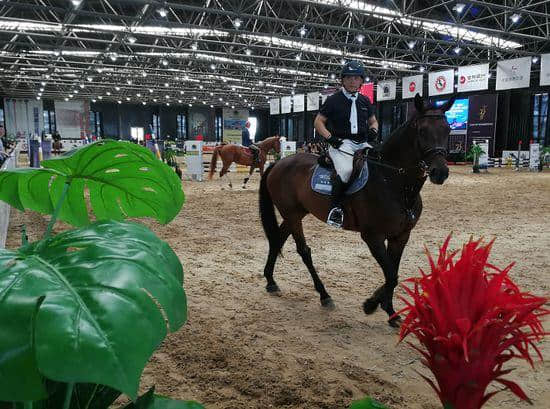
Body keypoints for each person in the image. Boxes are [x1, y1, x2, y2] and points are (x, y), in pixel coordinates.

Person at [313, 60, 379, 228]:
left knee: (379, 163)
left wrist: (374, 130)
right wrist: (329, 138)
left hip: (362, 142)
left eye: (356, 78)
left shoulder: (365, 101)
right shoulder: (333, 100)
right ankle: (336, 209)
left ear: (361, 81)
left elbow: (374, 122)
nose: (352, 81)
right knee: (346, 170)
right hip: (341, 144)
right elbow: (318, 122)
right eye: (349, 78)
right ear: (342, 80)